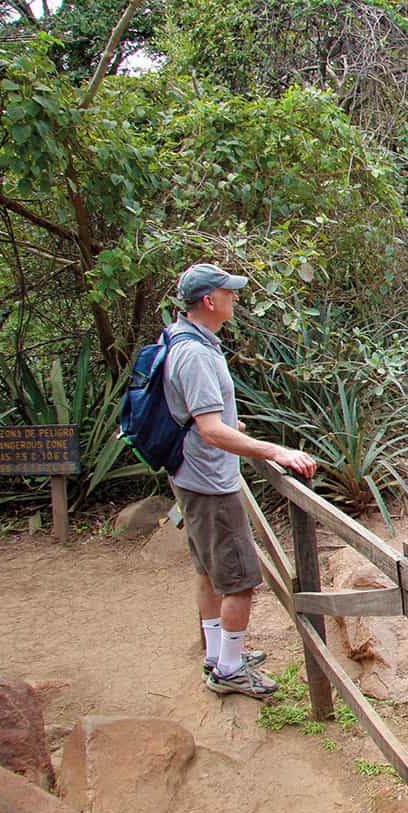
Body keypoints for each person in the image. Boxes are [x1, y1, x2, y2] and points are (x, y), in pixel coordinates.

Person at [165, 263, 317, 698]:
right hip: (210, 482)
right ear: (209, 301)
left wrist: (232, 428)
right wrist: (276, 451)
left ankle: (218, 656)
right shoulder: (194, 353)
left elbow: (202, 419)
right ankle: (229, 670)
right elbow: (210, 429)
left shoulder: (184, 338)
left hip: (191, 474)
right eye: (228, 293)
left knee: (209, 572)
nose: (235, 298)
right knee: (239, 579)